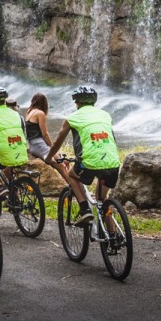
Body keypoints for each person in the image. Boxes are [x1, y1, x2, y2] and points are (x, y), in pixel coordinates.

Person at [45, 86, 120, 224]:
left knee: (72, 175)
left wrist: (49, 157)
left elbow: (57, 142)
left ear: (77, 102)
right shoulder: (105, 115)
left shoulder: (72, 118)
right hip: (113, 163)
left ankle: (85, 209)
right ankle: (113, 234)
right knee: (102, 199)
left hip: (89, 163)